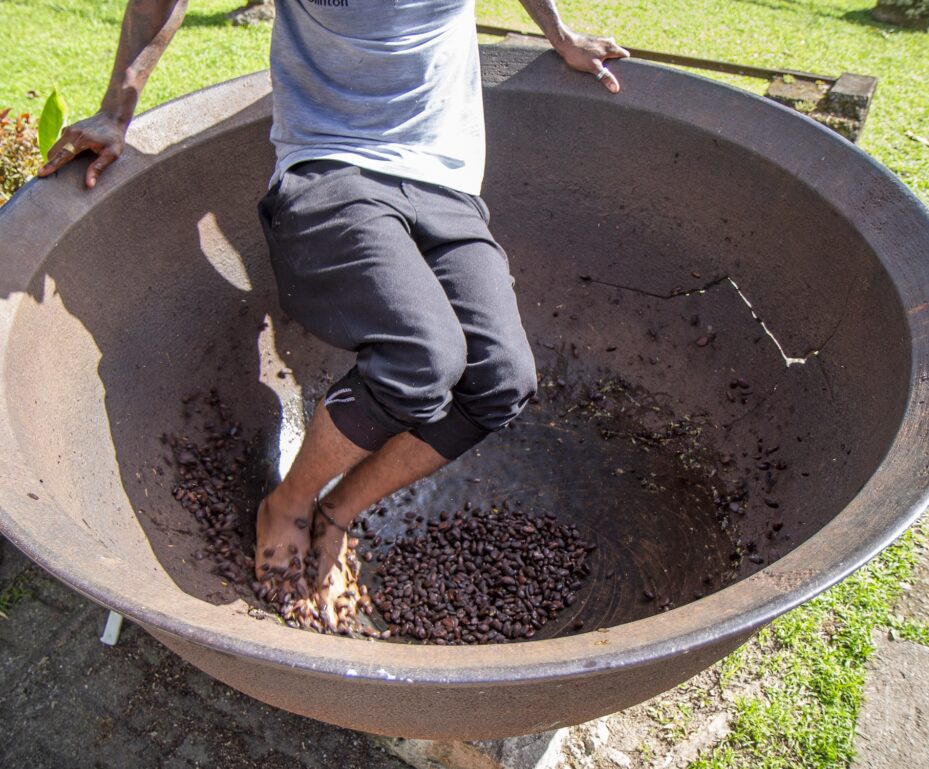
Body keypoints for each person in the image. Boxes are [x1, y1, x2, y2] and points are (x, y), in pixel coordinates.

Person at [39, 0, 628, 631]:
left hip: (446, 185)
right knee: (422, 358)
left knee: (503, 381)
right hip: (330, 167)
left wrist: (559, 34)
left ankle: (338, 510)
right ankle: (289, 502)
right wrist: (116, 109)